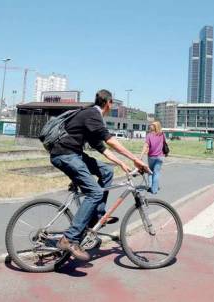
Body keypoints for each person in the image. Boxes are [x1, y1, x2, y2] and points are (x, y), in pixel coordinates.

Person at [50, 89, 149, 261]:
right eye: (113, 104)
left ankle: (97, 216)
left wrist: (122, 164)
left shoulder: (91, 117)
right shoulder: (93, 115)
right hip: (65, 155)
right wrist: (135, 159)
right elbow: (111, 141)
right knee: (95, 192)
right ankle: (69, 239)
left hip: (73, 155)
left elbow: (102, 148)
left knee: (107, 171)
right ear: (109, 103)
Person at [140, 121, 165, 194]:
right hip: (160, 157)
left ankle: (151, 187)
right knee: (156, 173)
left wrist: (141, 156)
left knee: (150, 172)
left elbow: (146, 146)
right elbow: (165, 145)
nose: (150, 126)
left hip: (151, 156)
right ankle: (154, 190)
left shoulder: (149, 135)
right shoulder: (162, 135)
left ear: (155, 127)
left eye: (152, 125)